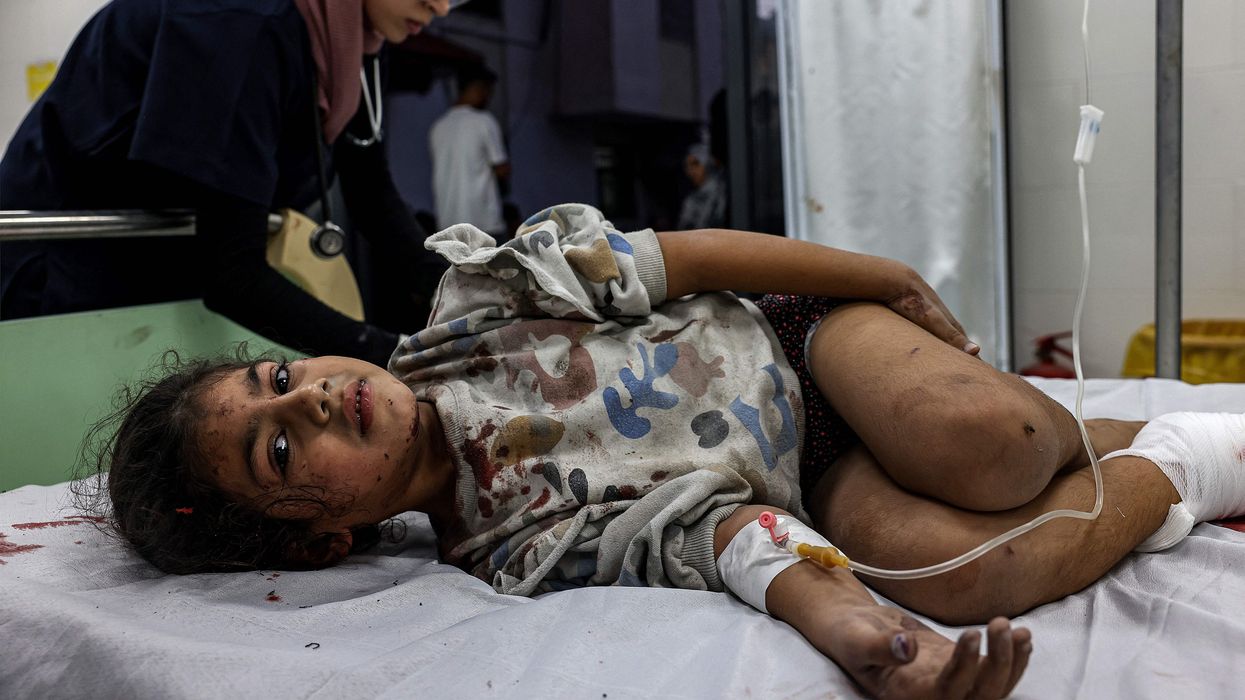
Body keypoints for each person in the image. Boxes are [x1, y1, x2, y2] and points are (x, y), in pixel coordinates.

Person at [83, 204, 1245, 699]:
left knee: (986, 444)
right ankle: (1189, 457)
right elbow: (725, 533)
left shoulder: (479, 301)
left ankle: (1071, 433)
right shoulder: (511, 550)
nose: (321, 400)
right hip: (809, 483)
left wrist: (883, 279)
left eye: (282, 380)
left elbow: (684, 258)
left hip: (802, 347)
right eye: (282, 449)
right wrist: (871, 640)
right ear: (327, 538)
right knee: (962, 572)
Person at [0, 0, 456, 366]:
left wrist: (471, 286)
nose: (440, 8)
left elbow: (372, 194)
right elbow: (232, 273)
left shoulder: (357, 42)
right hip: (59, 272)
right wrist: (399, 354)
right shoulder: (240, 22)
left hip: (163, 273)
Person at [428, 63, 510, 241]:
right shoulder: (484, 121)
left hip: (447, 226)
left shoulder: (438, 127)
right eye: (488, 91)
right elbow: (502, 169)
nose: (488, 97)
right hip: (483, 224)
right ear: (478, 89)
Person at [676, 143, 727, 230]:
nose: (690, 171)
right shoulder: (691, 199)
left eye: (695, 164)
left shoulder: (722, 192)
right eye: (687, 166)